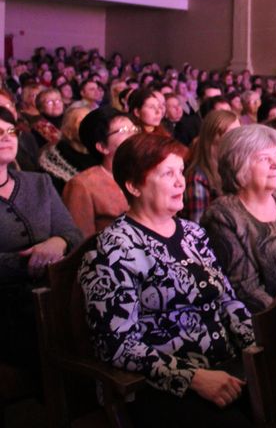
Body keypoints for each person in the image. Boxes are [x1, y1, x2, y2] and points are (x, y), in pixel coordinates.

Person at [79, 133, 255, 427]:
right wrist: (193, 378)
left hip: (227, 367)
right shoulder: (113, 249)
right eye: (166, 173)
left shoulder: (192, 233)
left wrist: (255, 349)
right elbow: (116, 343)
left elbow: (227, 299)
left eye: (180, 172)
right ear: (133, 186)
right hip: (160, 386)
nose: (180, 182)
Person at [0, 106, 82, 390]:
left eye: (10, 131)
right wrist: (29, 260)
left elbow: (73, 234)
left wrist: (57, 242)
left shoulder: (38, 183)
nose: (6, 137)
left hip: (51, 295)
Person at [203, 125, 276, 313]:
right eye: (264, 159)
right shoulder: (223, 216)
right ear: (239, 164)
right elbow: (246, 290)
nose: (275, 165)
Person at [62, 107, 137, 236]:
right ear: (102, 147)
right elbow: (81, 243)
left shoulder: (145, 173)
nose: (134, 135)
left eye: (134, 129)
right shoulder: (82, 185)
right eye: (123, 130)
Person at [183, 110, 240, 223]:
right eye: (233, 133)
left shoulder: (233, 167)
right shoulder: (197, 177)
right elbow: (198, 225)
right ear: (215, 137)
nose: (239, 137)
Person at [38, 104, 96, 193]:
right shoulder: (52, 160)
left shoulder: (102, 151)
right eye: (82, 122)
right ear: (68, 130)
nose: (90, 126)